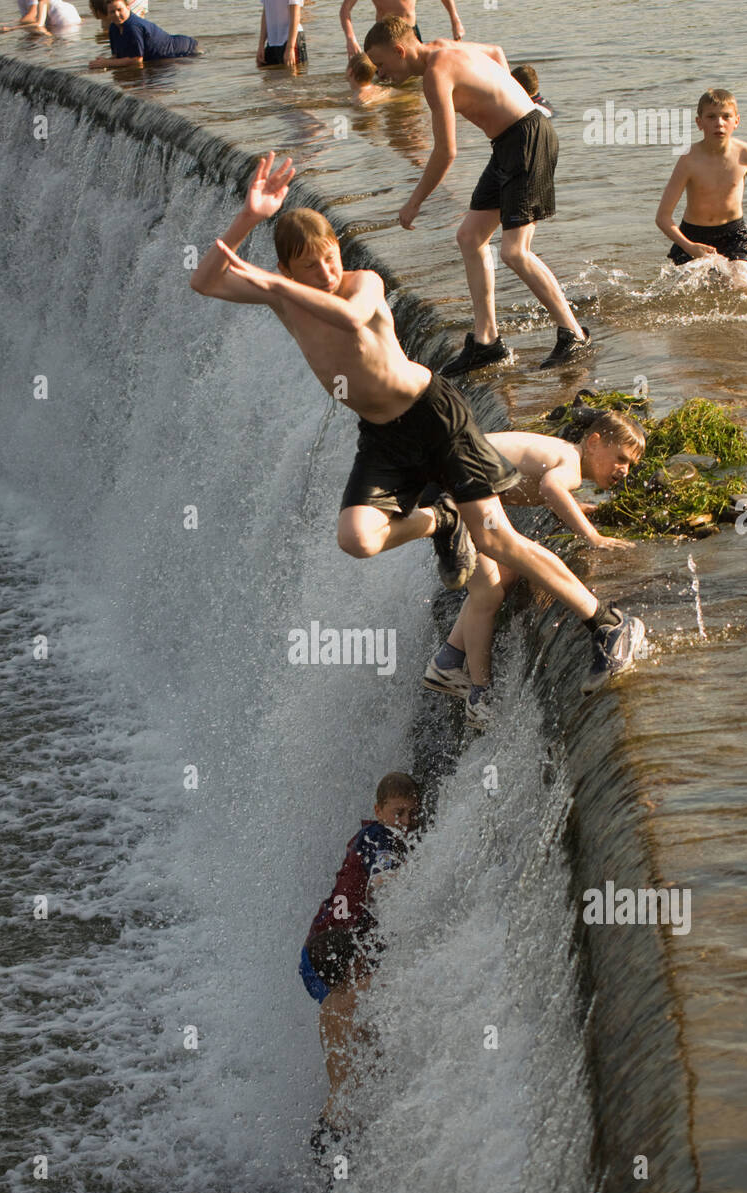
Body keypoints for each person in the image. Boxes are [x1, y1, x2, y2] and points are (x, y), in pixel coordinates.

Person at [189, 152, 645, 694]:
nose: (326, 273)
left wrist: (278, 287)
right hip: (384, 436)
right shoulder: (284, 297)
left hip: (435, 416)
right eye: (310, 266)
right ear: (288, 268)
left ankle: (609, 626)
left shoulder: (362, 283)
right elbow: (204, 281)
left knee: (497, 540)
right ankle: (440, 522)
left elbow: (351, 318)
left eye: (331, 258)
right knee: (357, 538)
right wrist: (248, 218)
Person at [363, 19, 590, 372]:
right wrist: (507, 96)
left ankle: (573, 333)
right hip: (508, 142)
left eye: (381, 65)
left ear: (400, 50)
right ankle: (487, 342)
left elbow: (445, 152)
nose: (381, 74)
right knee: (470, 237)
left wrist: (414, 202)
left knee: (515, 251)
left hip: (527, 140)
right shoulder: (442, 46)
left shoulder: (435, 76)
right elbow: (496, 52)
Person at [423, 411, 646, 724]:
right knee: (502, 573)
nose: (623, 470)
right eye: (620, 458)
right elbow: (550, 487)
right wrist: (592, 536)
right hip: (456, 485)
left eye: (631, 466)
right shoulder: (570, 460)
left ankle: (450, 662)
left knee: (498, 582)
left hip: (444, 484)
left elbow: (530, 483)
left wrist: (574, 507)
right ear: (594, 442)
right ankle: (481, 691)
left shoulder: (561, 454)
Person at [299, 772, 420, 1149]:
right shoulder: (378, 838)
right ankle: (335, 1128)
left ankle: (344, 1127)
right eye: (398, 812)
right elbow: (382, 881)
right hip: (326, 951)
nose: (405, 822)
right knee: (354, 1014)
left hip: (337, 948)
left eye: (411, 814)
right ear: (378, 810)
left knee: (364, 1035)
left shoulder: (387, 836)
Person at [656, 88, 747, 286]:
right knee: (688, 294)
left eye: (726, 116)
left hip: (734, 234)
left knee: (744, 286)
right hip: (693, 236)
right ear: (699, 122)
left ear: (736, 121)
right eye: (711, 117)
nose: (719, 123)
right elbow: (662, 217)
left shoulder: (746, 155)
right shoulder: (688, 159)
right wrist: (689, 246)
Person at [88, 0, 200, 68]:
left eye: (119, 10)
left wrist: (107, 63)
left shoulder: (132, 27)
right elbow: (118, 56)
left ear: (128, 8)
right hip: (172, 52)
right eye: (112, 12)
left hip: (187, 50)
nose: (117, 14)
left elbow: (136, 60)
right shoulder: (114, 27)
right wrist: (104, 61)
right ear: (107, 14)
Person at [340, 0, 464, 60]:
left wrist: (455, 20)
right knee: (385, 80)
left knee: (416, 76)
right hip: (385, 36)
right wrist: (351, 39)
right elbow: (345, 9)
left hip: (411, 34)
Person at [256, 0, 306, 69]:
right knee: (270, 77)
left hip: (291, 39)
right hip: (272, 41)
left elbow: (296, 15)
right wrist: (261, 45)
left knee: (293, 77)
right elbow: (266, 12)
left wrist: (290, 48)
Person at [16, 0, 82, 30]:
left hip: (62, 19)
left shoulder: (42, 2)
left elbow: (38, 23)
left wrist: (12, 27)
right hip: (72, 12)